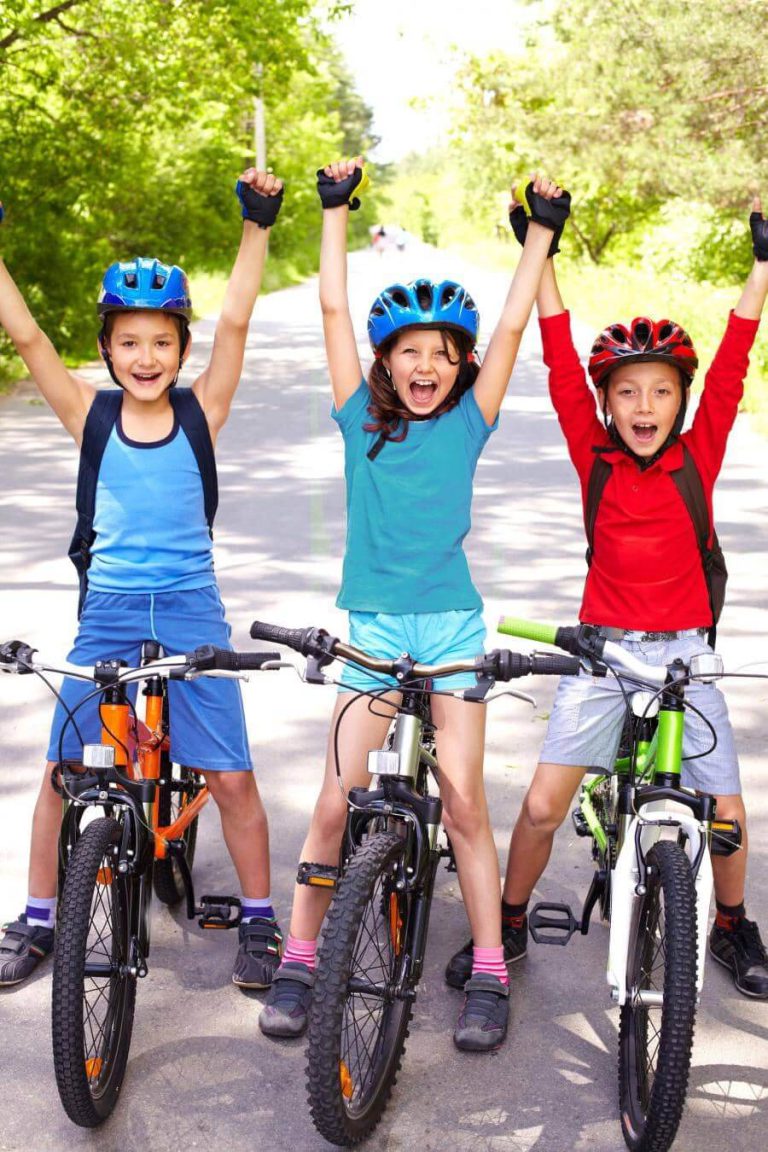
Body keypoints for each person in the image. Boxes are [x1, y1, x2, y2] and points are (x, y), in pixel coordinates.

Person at [259, 158, 570, 1051]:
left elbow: (513, 324)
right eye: (410, 352)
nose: (426, 365)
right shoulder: (361, 417)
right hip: (376, 629)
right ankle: (301, 956)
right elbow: (327, 308)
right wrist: (332, 211)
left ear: (459, 365)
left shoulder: (472, 419)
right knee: (334, 798)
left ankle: (488, 969)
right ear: (385, 361)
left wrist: (540, 231)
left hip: (450, 629)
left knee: (465, 801)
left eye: (443, 354)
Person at [445, 196, 768, 999]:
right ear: (607, 403)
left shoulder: (702, 451)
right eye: (627, 394)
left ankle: (731, 924)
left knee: (725, 814)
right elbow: (557, 357)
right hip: (602, 648)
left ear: (680, 402)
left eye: (660, 393)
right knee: (547, 805)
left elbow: (734, 360)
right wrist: (542, 251)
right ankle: (510, 919)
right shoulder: (593, 454)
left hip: (685, 652)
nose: (645, 409)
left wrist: (762, 269)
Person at [0, 170, 286, 991]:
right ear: (106, 350)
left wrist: (256, 226)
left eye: (162, 341)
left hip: (193, 609)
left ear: (181, 352)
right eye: (129, 342)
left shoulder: (204, 411)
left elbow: (235, 320)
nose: (146, 356)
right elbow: (28, 341)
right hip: (110, 611)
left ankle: (261, 924)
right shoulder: (87, 414)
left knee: (231, 774)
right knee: (67, 771)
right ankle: (39, 917)